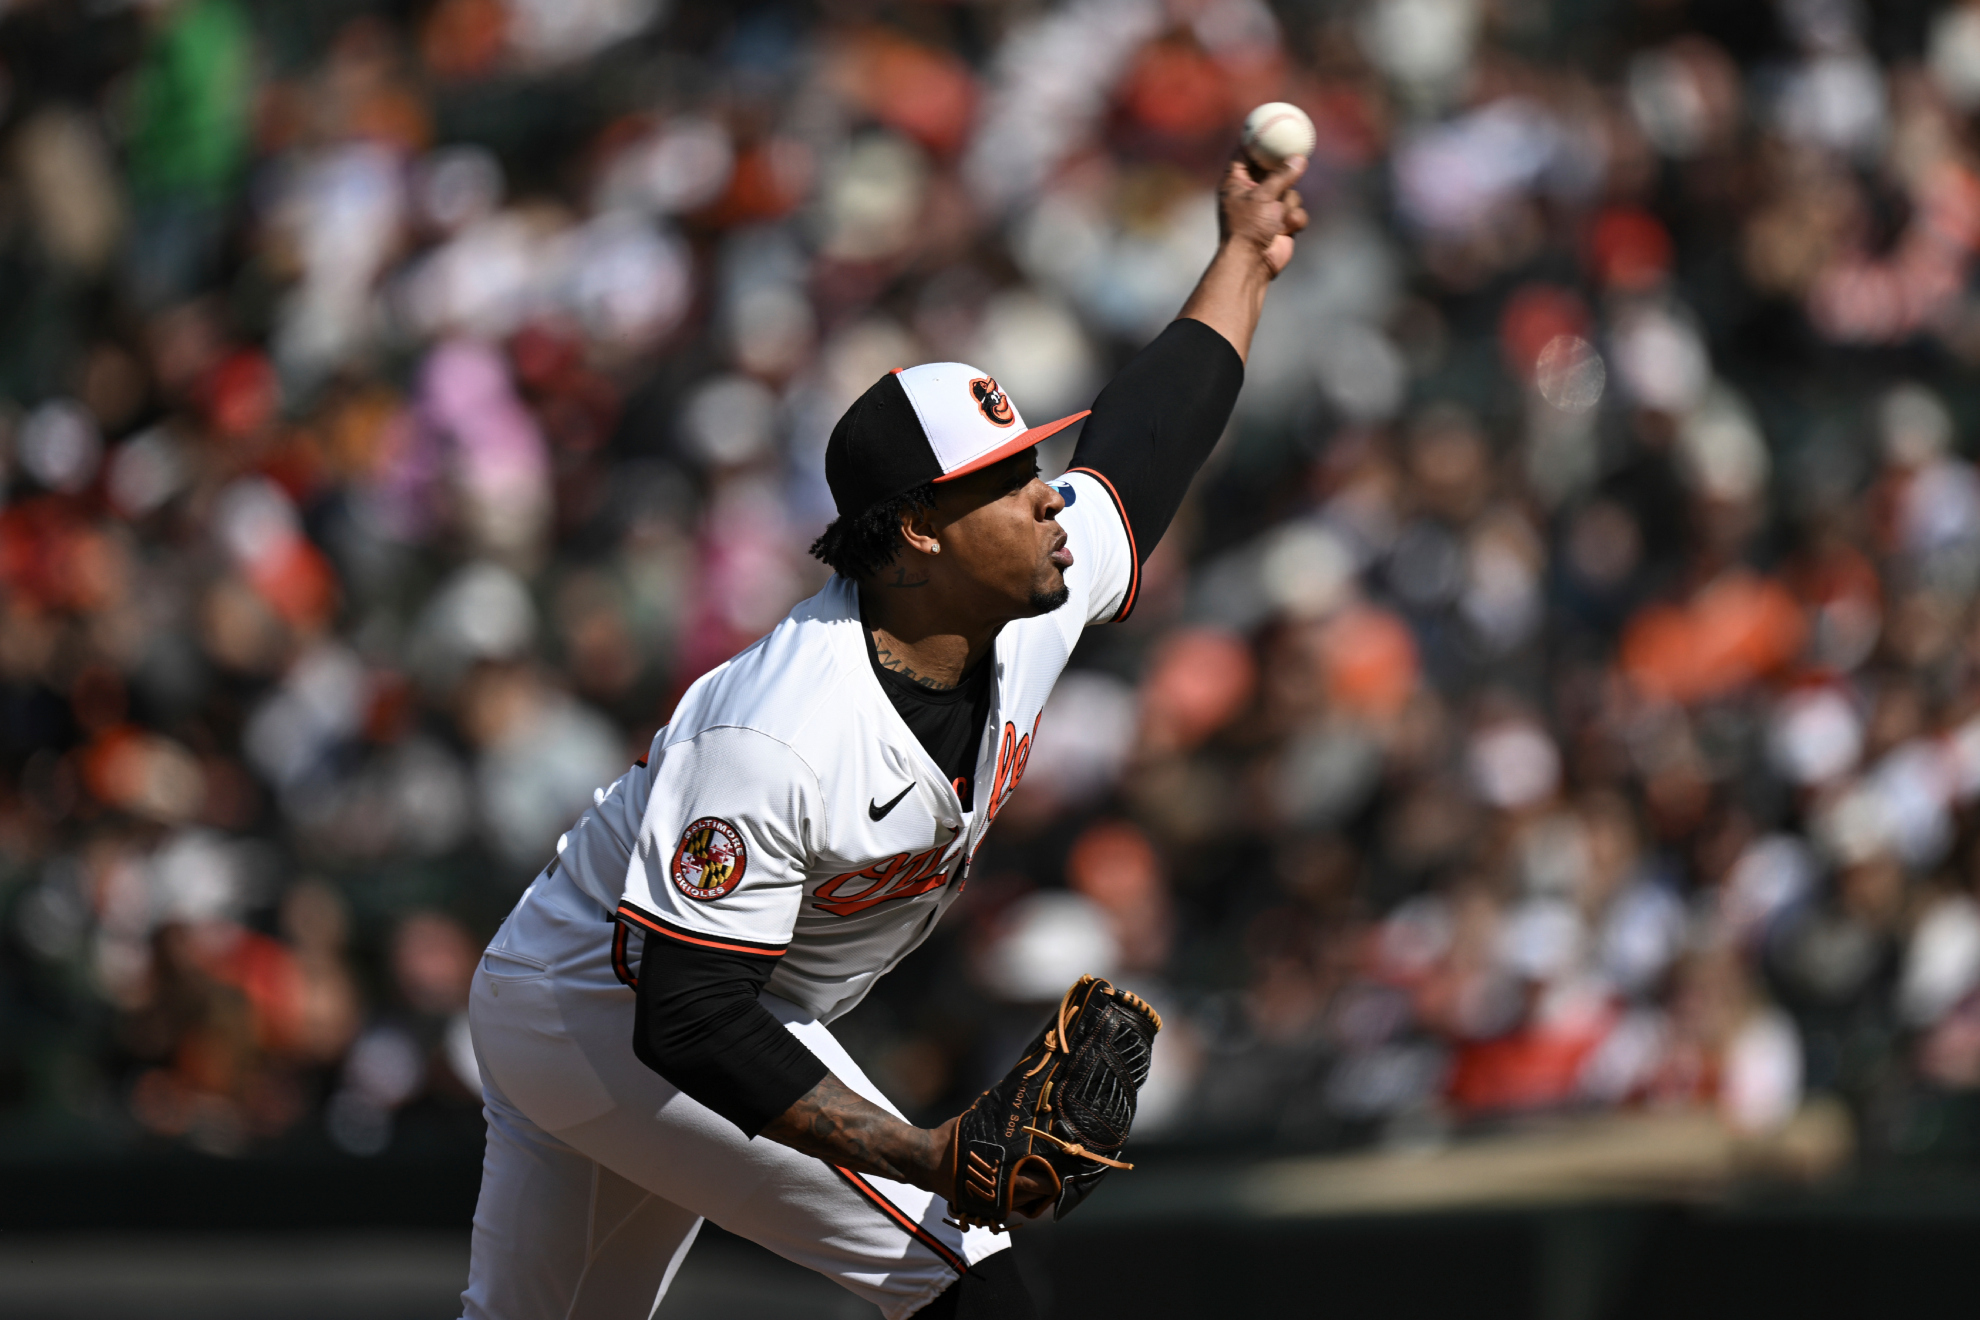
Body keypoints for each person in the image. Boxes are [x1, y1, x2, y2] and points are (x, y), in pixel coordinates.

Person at [457, 151, 1310, 1320]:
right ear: (916, 532)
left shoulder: (1021, 608)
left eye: (1035, 464)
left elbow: (1150, 440)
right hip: (608, 1007)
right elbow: (690, 1017)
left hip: (675, 1003)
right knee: (966, 1282)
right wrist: (924, 1150)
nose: (1048, 494)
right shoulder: (781, 730)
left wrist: (1245, 256)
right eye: (1007, 479)